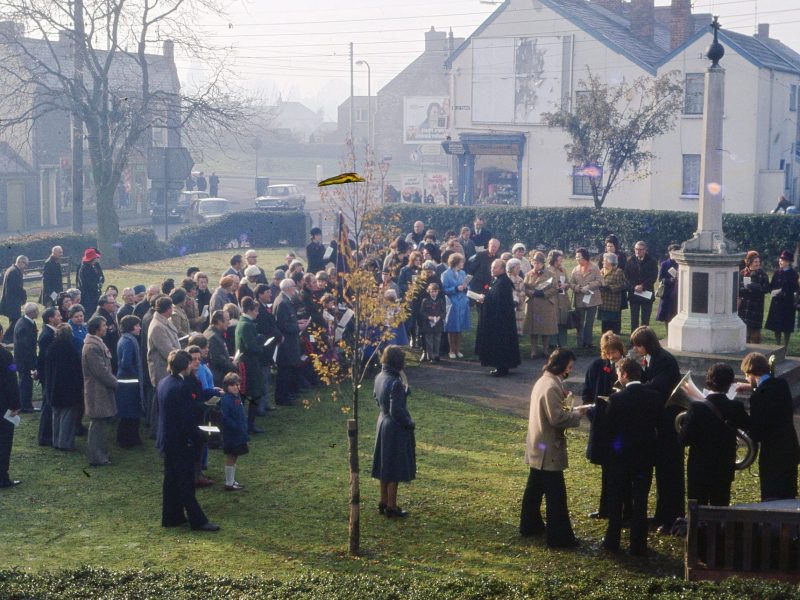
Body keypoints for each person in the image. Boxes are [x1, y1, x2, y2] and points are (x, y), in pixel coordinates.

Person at [519, 349, 589, 547]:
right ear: (562, 366)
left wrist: (570, 408)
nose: (570, 370)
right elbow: (557, 419)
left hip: (538, 445)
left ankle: (530, 526)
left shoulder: (544, 381)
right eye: (569, 366)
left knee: (534, 490)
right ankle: (559, 538)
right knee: (556, 496)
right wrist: (577, 415)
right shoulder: (551, 386)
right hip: (548, 449)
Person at [602, 357, 662, 556]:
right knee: (640, 500)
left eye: (619, 373)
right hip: (645, 456)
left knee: (616, 498)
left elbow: (609, 429)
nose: (618, 377)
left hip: (621, 457)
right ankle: (638, 544)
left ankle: (612, 540)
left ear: (625, 375)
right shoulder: (654, 397)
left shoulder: (617, 399)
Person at [157, 349, 219, 531]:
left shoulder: (164, 382)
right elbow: (186, 419)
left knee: (171, 480)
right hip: (180, 441)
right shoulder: (181, 387)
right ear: (185, 366)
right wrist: (199, 437)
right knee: (185, 482)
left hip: (167, 439)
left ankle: (172, 516)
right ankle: (198, 521)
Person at [630, 325, 683, 535]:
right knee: (661, 471)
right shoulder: (651, 358)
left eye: (638, 346)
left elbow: (658, 385)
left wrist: (636, 389)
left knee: (670, 473)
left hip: (669, 424)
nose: (636, 350)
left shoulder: (664, 360)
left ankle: (672, 517)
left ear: (647, 344)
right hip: (660, 423)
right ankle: (662, 513)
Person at [679, 363, 750, 507]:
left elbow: (684, 440)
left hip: (699, 469)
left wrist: (684, 424)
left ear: (709, 380)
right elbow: (750, 428)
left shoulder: (696, 408)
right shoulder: (736, 407)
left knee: (697, 511)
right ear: (730, 383)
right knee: (720, 510)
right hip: (724, 468)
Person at [738, 352, 799, 501]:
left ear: (752, 373)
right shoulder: (782, 384)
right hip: (790, 448)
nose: (746, 379)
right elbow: (769, 388)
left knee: (772, 496)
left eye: (747, 375)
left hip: (772, 455)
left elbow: (757, 433)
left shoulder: (757, 397)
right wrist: (751, 387)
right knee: (788, 494)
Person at [582, 332, 625, 520]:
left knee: (619, 469)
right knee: (606, 469)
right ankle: (605, 508)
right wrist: (593, 415)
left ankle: (621, 508)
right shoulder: (596, 367)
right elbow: (587, 393)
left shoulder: (627, 367)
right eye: (608, 353)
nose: (611, 356)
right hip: (602, 426)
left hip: (619, 428)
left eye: (614, 352)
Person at [372, 345, 416, 519]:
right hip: (394, 428)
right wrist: (409, 423)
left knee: (385, 464)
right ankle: (391, 505)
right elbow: (397, 411)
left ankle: (383, 501)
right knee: (394, 467)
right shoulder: (396, 382)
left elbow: (377, 398)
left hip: (382, 422)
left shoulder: (379, 376)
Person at [475, 259, 521, 377]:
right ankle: (500, 366)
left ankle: (502, 367)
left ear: (502, 269)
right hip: (498, 318)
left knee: (501, 343)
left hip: (501, 320)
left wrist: (485, 299)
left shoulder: (503, 283)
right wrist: (486, 298)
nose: (492, 269)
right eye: (492, 267)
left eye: (495, 267)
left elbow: (499, 301)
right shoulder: (498, 281)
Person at [83, 316, 118, 467]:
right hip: (97, 391)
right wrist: (115, 382)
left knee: (101, 424)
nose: (106, 328)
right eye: (103, 326)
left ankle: (101, 454)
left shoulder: (97, 343)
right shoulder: (92, 347)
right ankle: (97, 457)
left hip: (101, 389)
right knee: (97, 424)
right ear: (96, 329)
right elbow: (101, 371)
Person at [46, 324, 83, 452]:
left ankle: (56, 441)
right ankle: (65, 443)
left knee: (56, 415)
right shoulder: (70, 350)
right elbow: (76, 371)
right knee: (68, 417)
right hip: (68, 389)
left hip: (53, 388)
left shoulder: (51, 348)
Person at [235, 297, 268, 434]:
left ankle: (244, 423)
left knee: (245, 393)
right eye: (256, 311)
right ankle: (249, 424)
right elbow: (251, 347)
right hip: (249, 363)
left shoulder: (243, 323)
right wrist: (261, 345)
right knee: (254, 393)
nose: (257, 313)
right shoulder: (247, 325)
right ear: (249, 310)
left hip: (246, 362)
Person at [274, 278, 308, 405]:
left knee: (288, 370)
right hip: (286, 342)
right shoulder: (283, 303)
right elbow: (282, 325)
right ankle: (283, 397)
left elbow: (287, 321)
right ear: (288, 288)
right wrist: (298, 327)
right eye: (293, 287)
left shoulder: (285, 300)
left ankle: (288, 394)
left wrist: (297, 322)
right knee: (285, 371)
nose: (295, 289)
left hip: (289, 341)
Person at [116, 315, 144, 448]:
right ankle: (127, 439)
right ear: (131, 327)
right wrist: (137, 375)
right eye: (137, 325)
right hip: (128, 382)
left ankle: (130, 438)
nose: (139, 328)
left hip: (126, 381)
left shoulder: (125, 339)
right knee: (130, 411)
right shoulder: (128, 342)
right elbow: (126, 363)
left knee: (129, 411)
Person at [523, 252, 558, 359]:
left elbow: (555, 288)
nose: (536, 264)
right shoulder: (528, 274)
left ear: (543, 263)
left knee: (545, 329)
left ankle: (545, 350)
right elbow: (524, 288)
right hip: (532, 304)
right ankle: (533, 351)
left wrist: (543, 294)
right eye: (534, 262)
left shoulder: (551, 274)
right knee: (533, 329)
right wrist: (531, 293)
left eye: (538, 262)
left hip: (546, 304)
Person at [36, 307, 62, 446]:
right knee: (47, 406)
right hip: (49, 376)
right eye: (58, 315)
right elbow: (46, 359)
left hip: (49, 375)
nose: (60, 317)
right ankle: (45, 436)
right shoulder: (47, 335)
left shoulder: (50, 333)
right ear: (50, 319)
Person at [764, 249, 799, 349]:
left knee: (787, 327)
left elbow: (796, 289)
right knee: (777, 327)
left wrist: (786, 293)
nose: (780, 261)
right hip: (777, 303)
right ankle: (778, 345)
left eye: (783, 260)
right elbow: (771, 286)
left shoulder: (793, 274)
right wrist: (773, 291)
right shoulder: (776, 273)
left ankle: (785, 346)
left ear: (788, 262)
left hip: (788, 304)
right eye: (780, 259)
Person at [0, 322, 21, 487]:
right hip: (3, 404)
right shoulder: (6, 356)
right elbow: (12, 381)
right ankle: (2, 477)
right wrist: (15, 405)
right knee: (4, 442)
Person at [219, 372, 248, 492]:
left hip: (239, 432)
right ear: (227, 386)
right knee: (231, 456)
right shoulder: (226, 400)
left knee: (235, 455)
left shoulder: (237, 397)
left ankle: (232, 480)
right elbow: (225, 418)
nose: (236, 387)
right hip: (231, 434)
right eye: (233, 385)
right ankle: (229, 482)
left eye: (237, 384)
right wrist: (236, 426)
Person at [569, 248, 602, 349]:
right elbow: (571, 283)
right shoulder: (575, 269)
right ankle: (580, 343)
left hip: (592, 299)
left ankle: (588, 343)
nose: (577, 259)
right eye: (576, 257)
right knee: (580, 322)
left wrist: (589, 286)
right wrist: (577, 288)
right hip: (580, 299)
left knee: (589, 322)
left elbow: (600, 281)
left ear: (585, 257)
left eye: (579, 257)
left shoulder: (595, 268)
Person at [624, 241, 658, 332]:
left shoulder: (652, 261)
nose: (637, 251)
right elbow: (626, 277)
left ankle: (645, 338)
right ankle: (634, 338)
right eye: (636, 249)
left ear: (645, 250)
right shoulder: (630, 261)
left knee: (645, 321)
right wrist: (634, 286)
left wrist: (643, 286)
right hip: (634, 294)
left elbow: (653, 276)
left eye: (640, 249)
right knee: (634, 319)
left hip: (646, 293)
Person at [737, 251, 770, 344]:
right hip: (745, 306)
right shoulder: (742, 273)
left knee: (755, 334)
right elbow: (737, 288)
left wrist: (755, 287)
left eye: (759, 262)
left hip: (757, 306)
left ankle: (756, 350)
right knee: (745, 331)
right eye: (755, 262)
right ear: (750, 262)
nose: (758, 264)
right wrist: (744, 289)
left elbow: (766, 289)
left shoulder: (763, 274)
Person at [441, 253, 469, 359]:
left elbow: (468, 286)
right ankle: (451, 350)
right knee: (452, 327)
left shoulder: (463, 273)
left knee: (460, 327)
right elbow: (444, 289)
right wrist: (456, 288)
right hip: (452, 303)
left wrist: (466, 287)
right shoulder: (445, 274)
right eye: (461, 262)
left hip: (462, 302)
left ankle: (458, 349)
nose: (463, 264)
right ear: (456, 262)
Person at [13, 302, 39, 413]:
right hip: (24, 361)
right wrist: (34, 362)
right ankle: (25, 406)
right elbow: (26, 347)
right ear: (32, 313)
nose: (38, 313)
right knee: (25, 384)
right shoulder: (24, 326)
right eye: (37, 311)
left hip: (23, 360)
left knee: (26, 383)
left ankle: (25, 405)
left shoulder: (25, 322)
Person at [0, 255, 28, 343]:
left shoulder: (12, 270)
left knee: (14, 320)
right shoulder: (14, 272)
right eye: (25, 264)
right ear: (20, 262)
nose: (26, 267)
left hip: (11, 301)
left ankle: (11, 339)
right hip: (12, 301)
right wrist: (24, 294)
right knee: (16, 321)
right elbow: (15, 288)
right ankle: (5, 339)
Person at [597, 253, 627, 334]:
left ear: (610, 262)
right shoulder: (601, 271)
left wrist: (609, 287)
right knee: (604, 325)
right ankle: (604, 340)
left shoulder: (618, 271)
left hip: (613, 304)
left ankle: (614, 340)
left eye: (604, 260)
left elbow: (622, 285)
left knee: (613, 326)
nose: (602, 262)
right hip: (603, 303)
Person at [548, 250, 571, 349]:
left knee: (563, 321)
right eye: (559, 259)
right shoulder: (547, 270)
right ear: (554, 260)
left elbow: (568, 283)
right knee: (553, 321)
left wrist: (565, 285)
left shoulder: (563, 270)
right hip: (552, 299)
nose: (561, 261)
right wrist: (554, 287)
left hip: (562, 299)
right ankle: (552, 343)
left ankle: (562, 343)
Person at [655, 245, 680, 332]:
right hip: (667, 293)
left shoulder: (681, 264)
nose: (674, 254)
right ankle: (668, 334)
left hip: (678, 293)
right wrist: (670, 280)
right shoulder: (665, 264)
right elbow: (661, 278)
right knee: (667, 316)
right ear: (669, 253)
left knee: (676, 314)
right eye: (672, 252)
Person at [418, 282, 445, 363]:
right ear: (429, 291)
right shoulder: (425, 301)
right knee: (429, 341)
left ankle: (436, 355)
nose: (434, 293)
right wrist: (428, 317)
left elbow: (444, 311)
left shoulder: (440, 301)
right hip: (428, 324)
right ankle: (431, 356)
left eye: (435, 291)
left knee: (437, 340)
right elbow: (422, 312)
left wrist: (440, 317)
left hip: (438, 323)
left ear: (438, 291)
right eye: (432, 291)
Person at [94, 294, 120, 372]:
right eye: (112, 303)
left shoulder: (107, 315)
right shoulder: (100, 318)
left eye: (114, 302)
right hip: (108, 356)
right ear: (104, 304)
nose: (115, 304)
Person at [76, 247, 104, 318]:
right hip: (87, 296)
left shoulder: (95, 265)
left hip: (95, 294)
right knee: (89, 313)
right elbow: (85, 283)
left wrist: (100, 282)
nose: (97, 259)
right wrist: (96, 284)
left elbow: (101, 276)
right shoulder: (84, 268)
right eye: (95, 257)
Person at [506, 258, 526, 335]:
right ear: (511, 268)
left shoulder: (520, 279)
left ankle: (517, 334)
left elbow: (523, 291)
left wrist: (518, 297)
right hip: (508, 303)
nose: (519, 270)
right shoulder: (506, 278)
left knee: (517, 320)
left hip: (518, 304)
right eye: (517, 268)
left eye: (519, 268)